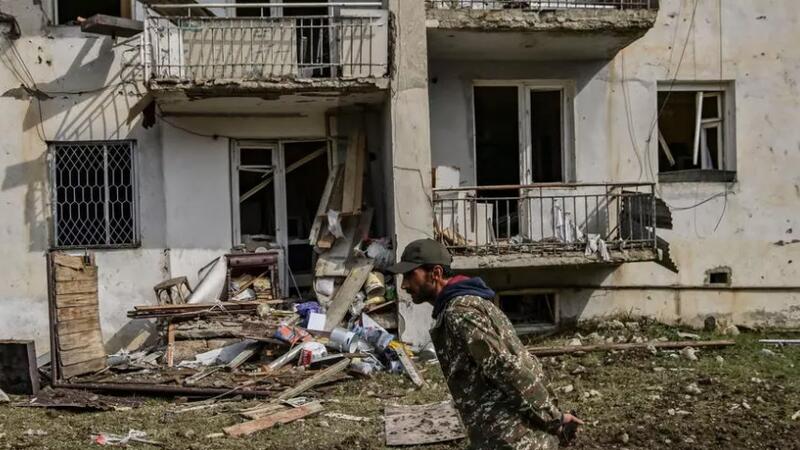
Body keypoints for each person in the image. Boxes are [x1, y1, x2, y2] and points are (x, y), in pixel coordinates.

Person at [389, 239, 582, 450]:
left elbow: (505, 367)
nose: (404, 285)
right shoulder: (470, 303)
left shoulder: (460, 312)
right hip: (504, 435)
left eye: (410, 275)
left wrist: (554, 418)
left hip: (512, 439)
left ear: (435, 273)